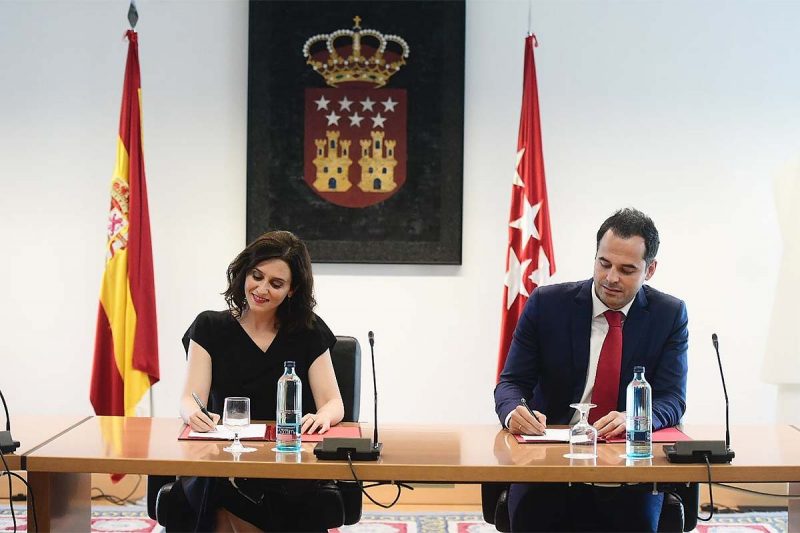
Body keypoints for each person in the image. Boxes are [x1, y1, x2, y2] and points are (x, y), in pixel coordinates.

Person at [494, 208, 688, 532]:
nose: (611, 278)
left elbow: (672, 398)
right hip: (551, 463)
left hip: (628, 468)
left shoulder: (669, 315)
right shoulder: (546, 304)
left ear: (650, 269)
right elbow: (511, 383)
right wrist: (514, 411)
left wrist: (635, 418)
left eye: (627, 269)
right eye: (604, 263)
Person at [178, 230, 344, 531]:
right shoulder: (209, 327)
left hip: (287, 458)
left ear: (292, 290)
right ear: (244, 273)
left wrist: (323, 416)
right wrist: (193, 414)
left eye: (276, 283)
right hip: (226, 457)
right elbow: (190, 398)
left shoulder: (308, 330)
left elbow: (333, 403)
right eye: (256, 276)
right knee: (217, 489)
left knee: (282, 496)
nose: (261, 289)